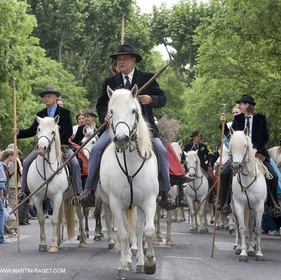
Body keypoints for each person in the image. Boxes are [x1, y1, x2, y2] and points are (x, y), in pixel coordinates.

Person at [80, 44, 190, 210]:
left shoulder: (147, 77)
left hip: (144, 128)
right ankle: (89, 190)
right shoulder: (110, 82)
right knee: (96, 150)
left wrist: (151, 99)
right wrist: (105, 115)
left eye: (124, 59)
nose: (121, 62)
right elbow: (102, 103)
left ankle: (165, 192)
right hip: (116, 127)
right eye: (118, 59)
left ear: (133, 61)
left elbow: (162, 98)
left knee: (160, 150)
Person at [13, 87, 82, 203]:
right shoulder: (40, 114)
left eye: (49, 96)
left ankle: (78, 193)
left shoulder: (65, 113)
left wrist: (55, 141)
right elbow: (32, 130)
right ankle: (24, 191)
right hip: (43, 146)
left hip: (62, 146)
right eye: (44, 97)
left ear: (55, 98)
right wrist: (19, 133)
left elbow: (68, 131)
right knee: (26, 162)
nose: (46, 98)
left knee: (74, 163)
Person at [218, 94, 281, 217]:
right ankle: (224, 203)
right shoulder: (238, 119)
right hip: (240, 154)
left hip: (258, 153)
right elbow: (232, 136)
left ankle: (273, 205)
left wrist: (256, 149)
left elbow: (265, 136)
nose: (239, 106)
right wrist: (223, 125)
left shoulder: (261, 118)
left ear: (247, 105)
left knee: (274, 176)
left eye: (241, 104)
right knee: (224, 174)